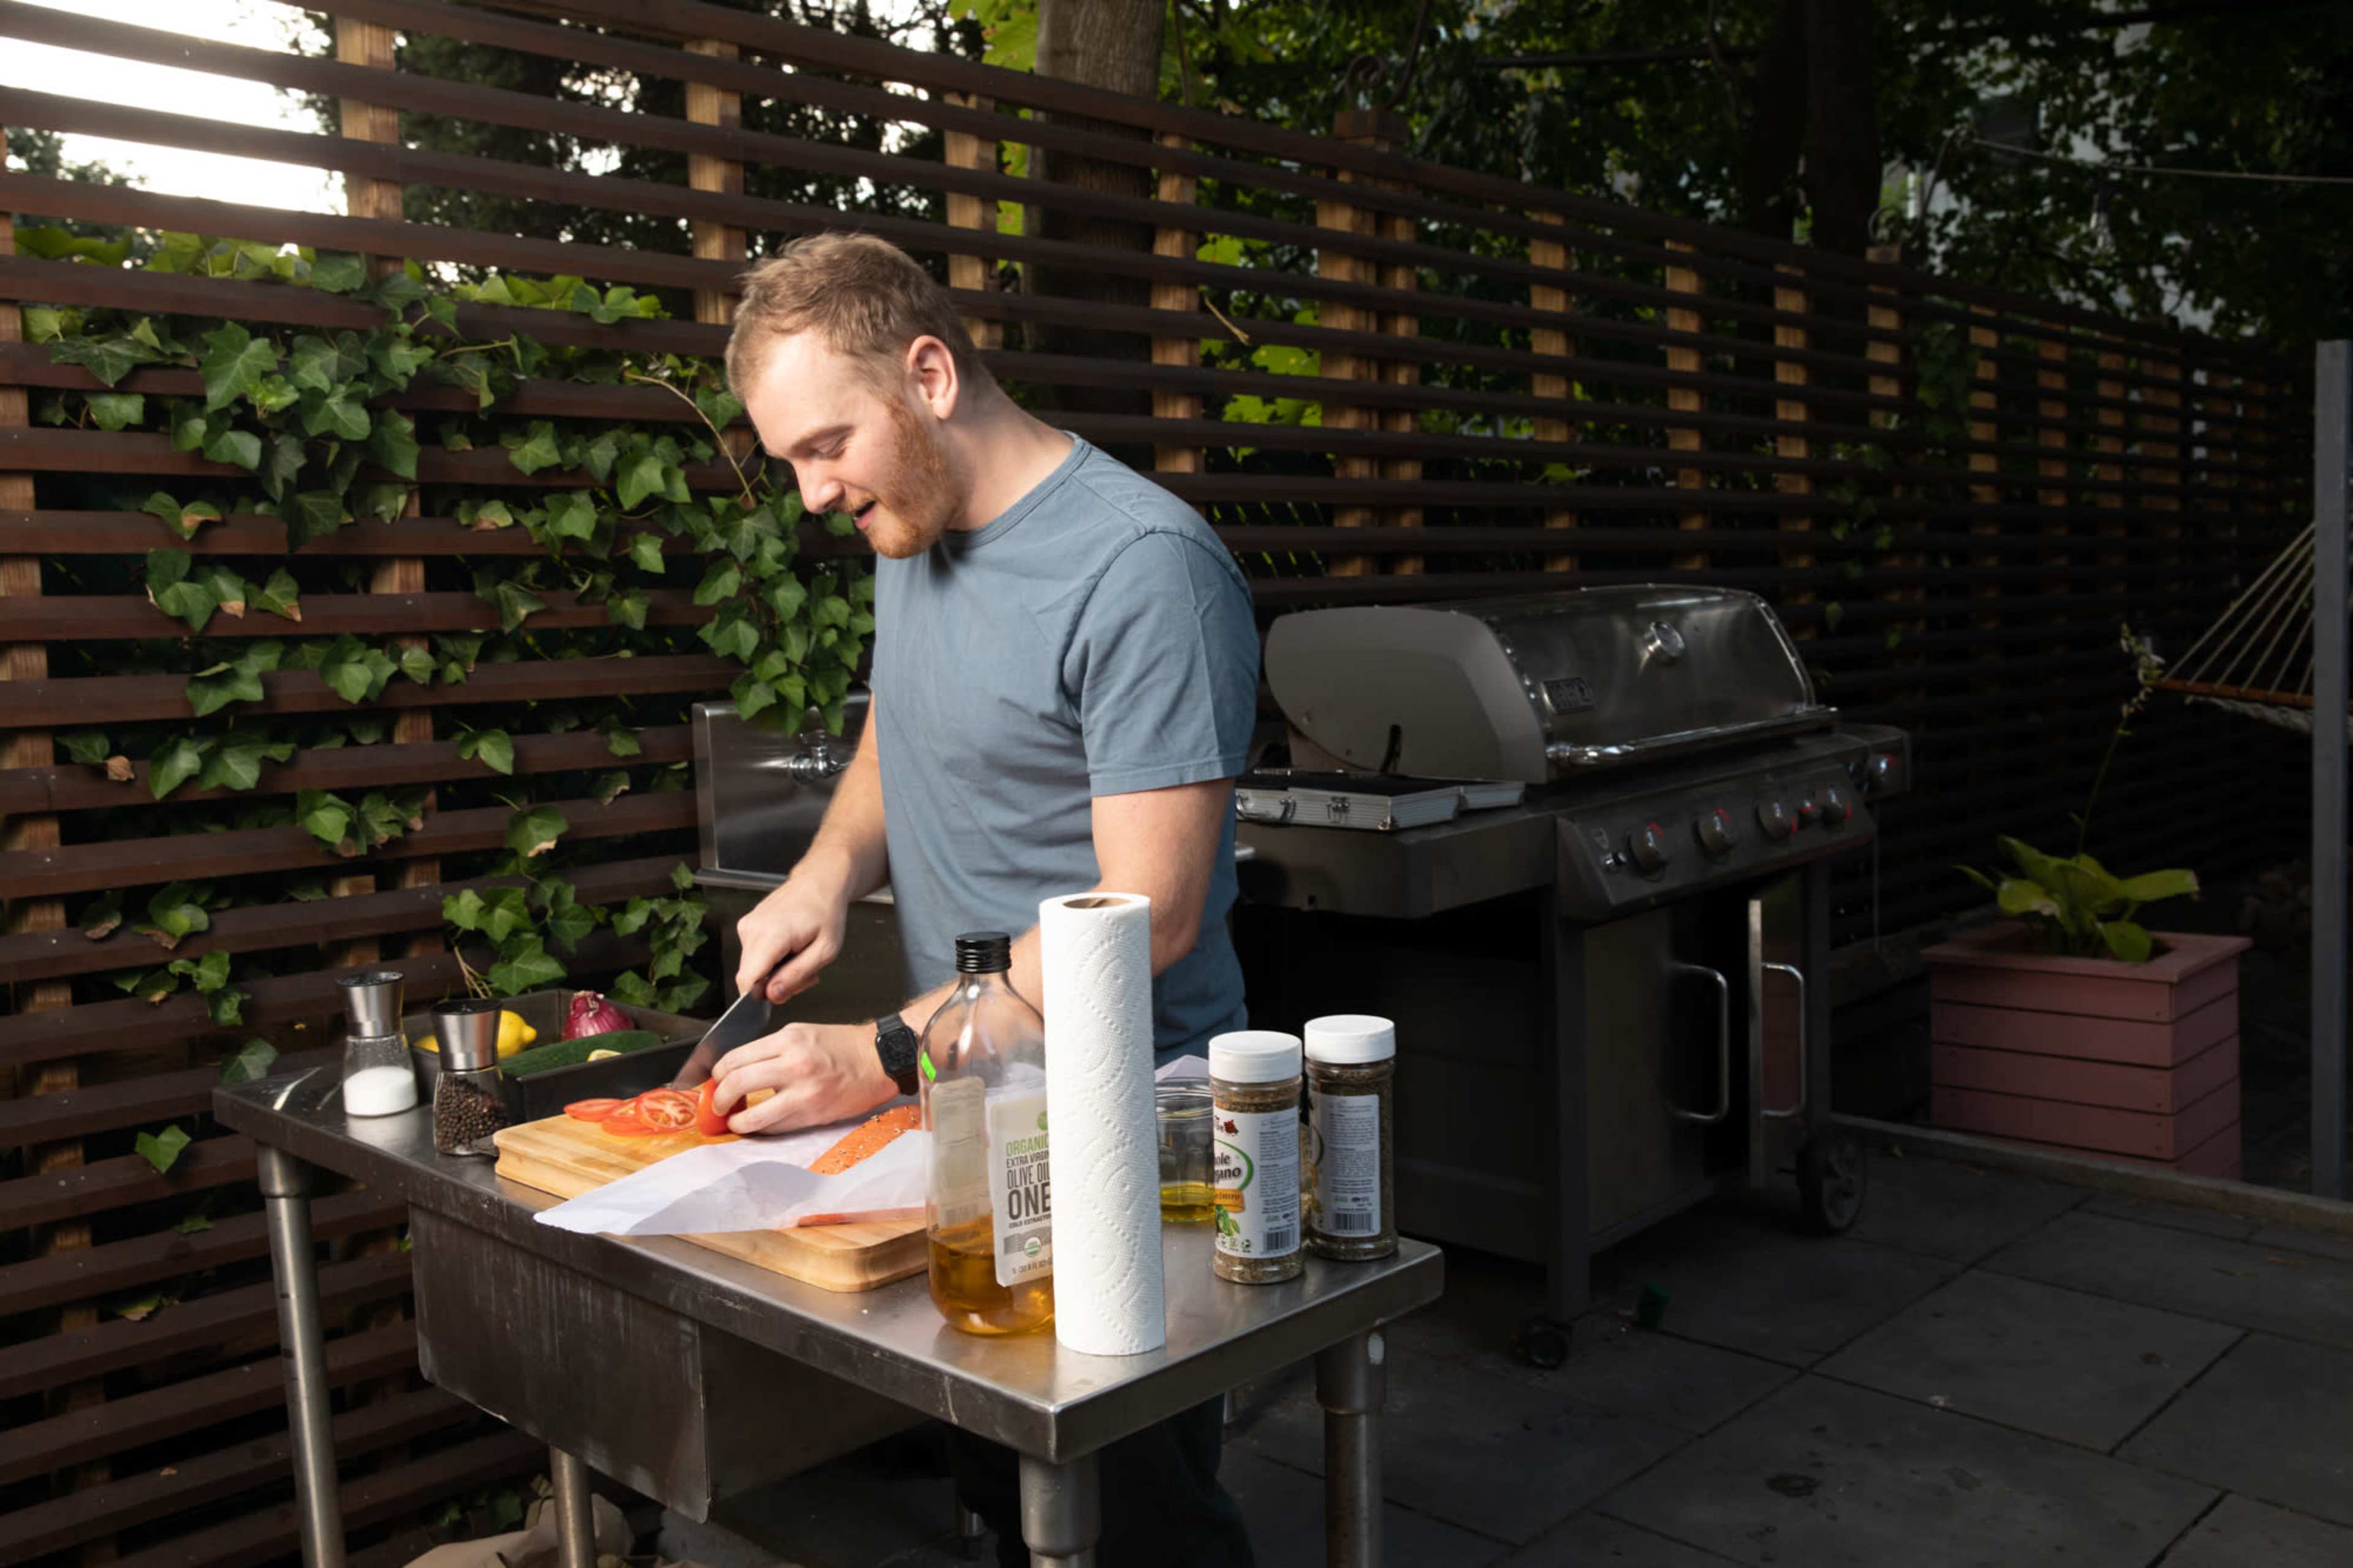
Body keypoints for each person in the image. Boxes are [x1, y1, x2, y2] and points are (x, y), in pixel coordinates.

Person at [708, 230, 1259, 1568]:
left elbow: (1150, 916)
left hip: (1132, 1132)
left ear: (931, 374)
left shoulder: (1144, 571)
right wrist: (827, 870)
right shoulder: (916, 521)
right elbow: (901, 732)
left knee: (1134, 1522)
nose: (813, 494)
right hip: (972, 1117)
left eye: (825, 445)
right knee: (1008, 1506)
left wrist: (886, 1045)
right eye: (792, 459)